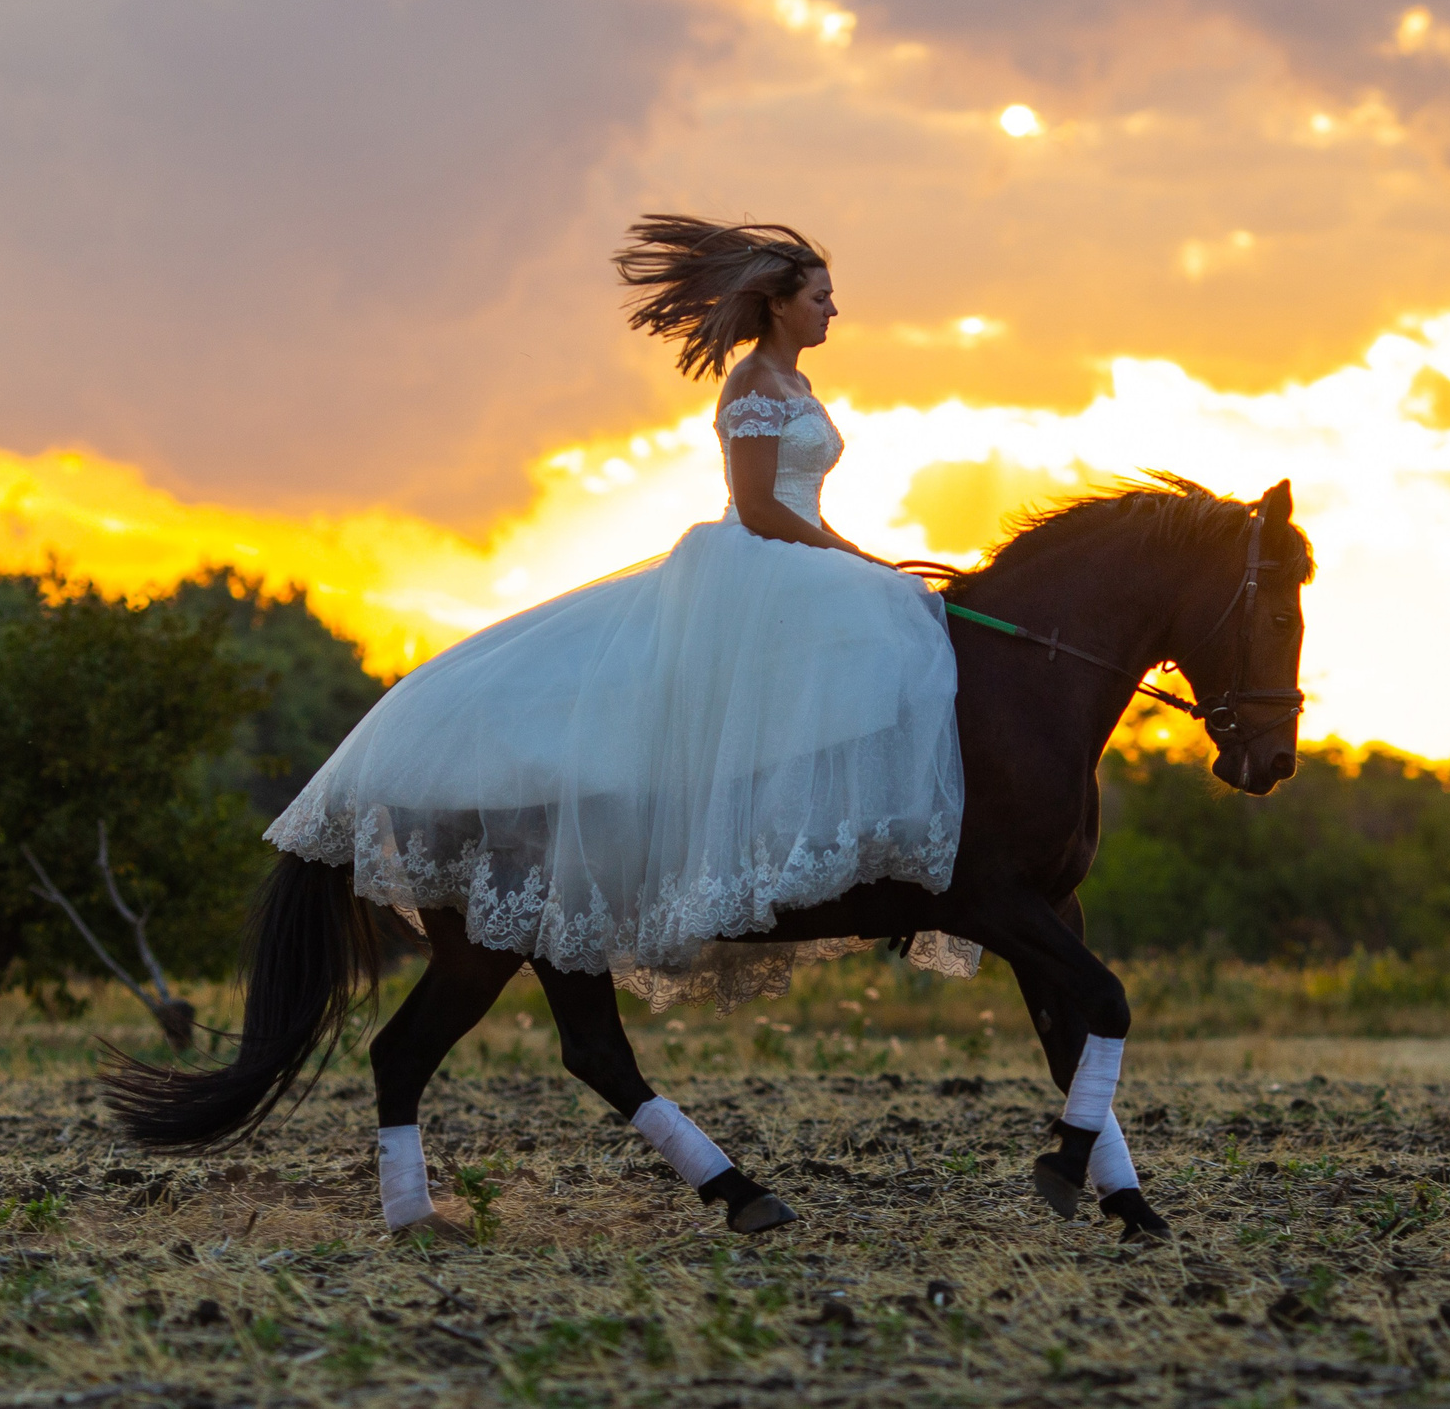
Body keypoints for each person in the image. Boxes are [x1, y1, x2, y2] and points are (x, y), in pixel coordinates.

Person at [267, 214, 967, 1013]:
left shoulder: (800, 386)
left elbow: (795, 506)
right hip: (764, 561)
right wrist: (858, 561)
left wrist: (860, 559)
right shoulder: (752, 385)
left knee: (881, 669)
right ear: (778, 305)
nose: (833, 310)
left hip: (800, 560)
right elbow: (761, 509)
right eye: (821, 295)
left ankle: (877, 862)